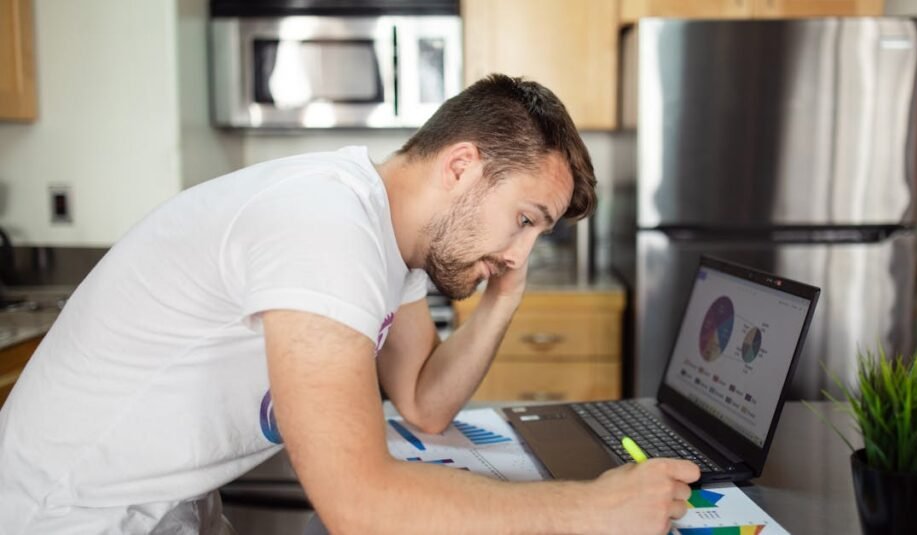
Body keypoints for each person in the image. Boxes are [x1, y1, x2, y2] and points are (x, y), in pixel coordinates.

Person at [0, 74, 699, 534]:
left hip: (163, 509)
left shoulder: (387, 240)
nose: (521, 250)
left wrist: (503, 293)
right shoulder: (325, 223)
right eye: (525, 218)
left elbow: (424, 403)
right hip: (67, 517)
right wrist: (590, 510)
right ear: (461, 167)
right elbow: (359, 503)